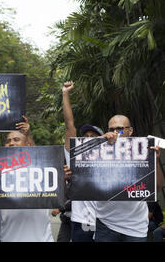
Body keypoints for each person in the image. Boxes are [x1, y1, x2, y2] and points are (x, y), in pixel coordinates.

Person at [94, 115, 163, 242]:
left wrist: (156, 161)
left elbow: (157, 188)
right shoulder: (99, 151)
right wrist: (97, 143)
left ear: (130, 131)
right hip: (106, 223)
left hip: (135, 226)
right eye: (111, 129)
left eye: (119, 129)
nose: (115, 133)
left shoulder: (143, 152)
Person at [0, 123, 63, 242]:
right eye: (8, 141)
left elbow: (36, 154)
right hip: (9, 237)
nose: (11, 143)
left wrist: (28, 135)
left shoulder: (41, 168)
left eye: (16, 139)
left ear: (27, 144)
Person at [62, 81, 103, 242]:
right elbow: (69, 126)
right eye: (85, 137)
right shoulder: (75, 156)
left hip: (108, 222)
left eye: (94, 137)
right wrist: (65, 94)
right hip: (83, 220)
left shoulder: (111, 159)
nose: (88, 140)